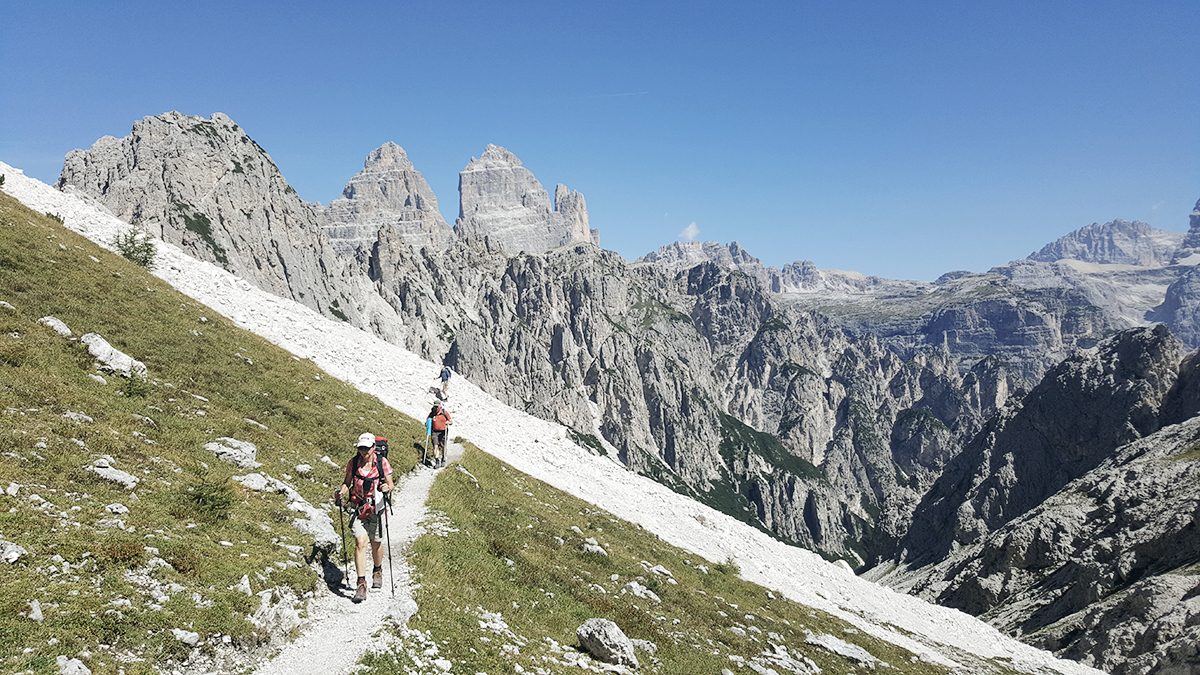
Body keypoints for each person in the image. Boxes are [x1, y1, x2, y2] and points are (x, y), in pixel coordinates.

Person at [336, 432, 394, 603]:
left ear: (373, 448)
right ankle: (361, 584)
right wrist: (341, 492)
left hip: (377, 507)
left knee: (376, 543)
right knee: (361, 542)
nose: (363, 451)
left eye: (366, 448)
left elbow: (391, 484)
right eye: (360, 448)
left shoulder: (382, 462)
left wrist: (386, 488)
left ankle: (377, 569)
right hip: (358, 507)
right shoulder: (353, 463)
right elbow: (347, 483)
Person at [426, 402, 452, 468]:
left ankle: (443, 459)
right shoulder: (432, 413)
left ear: (440, 406)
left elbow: (451, 421)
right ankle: (437, 461)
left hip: (443, 432)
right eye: (435, 406)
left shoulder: (444, 412)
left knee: (443, 446)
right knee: (435, 446)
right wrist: (427, 424)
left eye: (437, 406)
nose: (436, 408)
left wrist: (448, 422)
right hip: (434, 432)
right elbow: (428, 420)